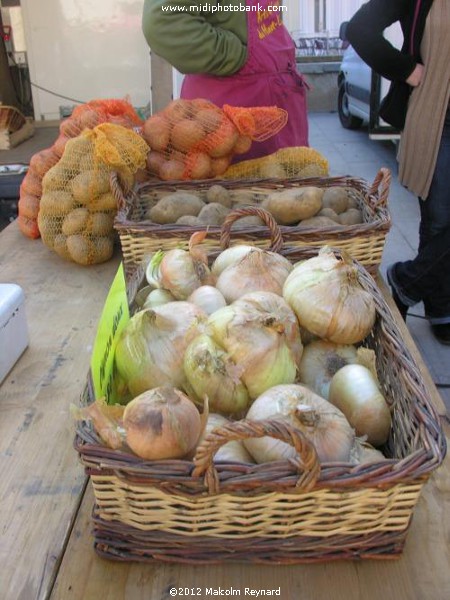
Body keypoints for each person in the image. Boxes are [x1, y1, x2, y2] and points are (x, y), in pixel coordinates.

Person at [346, 0, 450, 344]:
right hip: (439, 122)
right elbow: (361, 28)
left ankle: (406, 282)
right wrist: (406, 69)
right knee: (438, 221)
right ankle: (441, 305)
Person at [141, 0, 309, 160]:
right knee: (236, 187)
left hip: (280, 111)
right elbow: (163, 22)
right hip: (228, 114)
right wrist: (237, 57)